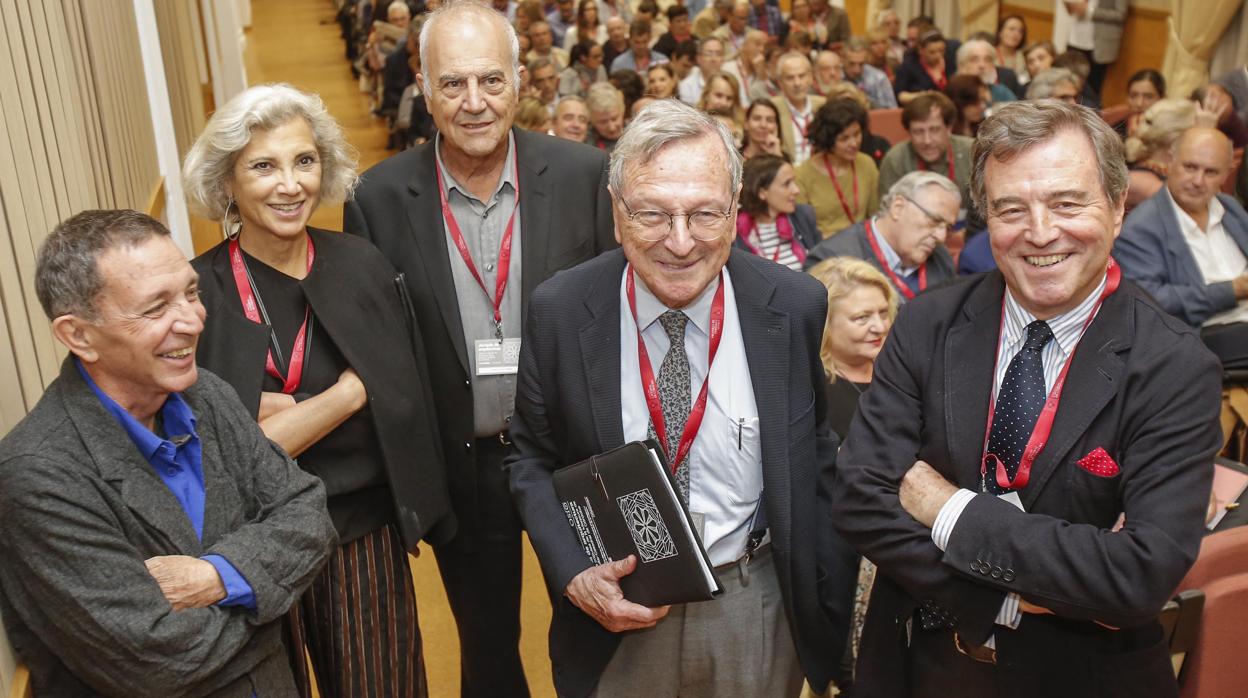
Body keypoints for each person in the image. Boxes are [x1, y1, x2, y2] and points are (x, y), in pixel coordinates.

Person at [834, 100, 1223, 698]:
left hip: (1082, 679)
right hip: (919, 666)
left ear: (1118, 208)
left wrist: (945, 509)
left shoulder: (1174, 367)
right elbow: (861, 498)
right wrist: (1005, 598)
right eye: (1011, 208)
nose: (1041, 232)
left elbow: (1138, 575)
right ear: (985, 218)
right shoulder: (926, 323)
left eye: (1068, 203)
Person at [507, 96, 855, 698]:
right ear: (616, 213)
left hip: (755, 602)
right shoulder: (561, 309)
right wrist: (574, 574)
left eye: (704, 214)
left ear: (735, 209)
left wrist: (828, 603)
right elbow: (530, 459)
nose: (680, 241)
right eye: (652, 214)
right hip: (620, 605)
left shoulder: (794, 306)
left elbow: (815, 455)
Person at [342, 3, 617, 696]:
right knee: (487, 648)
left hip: (574, 459)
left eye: (491, 80)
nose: (474, 103)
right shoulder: (376, 200)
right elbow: (374, 343)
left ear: (521, 82)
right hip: (462, 465)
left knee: (595, 635)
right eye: (454, 83)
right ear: (425, 89)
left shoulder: (586, 175)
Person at [181, 82, 453, 697]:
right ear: (228, 183)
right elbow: (217, 448)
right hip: (248, 547)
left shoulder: (363, 266)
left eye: (304, 161)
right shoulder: (198, 295)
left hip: (358, 535)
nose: (290, 184)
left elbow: (406, 401)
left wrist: (272, 415)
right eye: (263, 166)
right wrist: (350, 395)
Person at [0, 209, 337, 697]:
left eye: (192, 292)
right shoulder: (39, 476)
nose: (194, 320)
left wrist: (216, 577)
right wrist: (268, 597)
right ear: (78, 335)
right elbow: (154, 661)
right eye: (156, 308)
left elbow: (308, 513)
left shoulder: (207, 395)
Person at [1116, 128, 1248, 330]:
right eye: (1190, 167)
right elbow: (1149, 301)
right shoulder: (1140, 228)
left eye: (1211, 172)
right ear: (1171, 161)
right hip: (1207, 337)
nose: (1198, 181)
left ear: (1226, 174)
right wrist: (1232, 290)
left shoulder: (1229, 207)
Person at [806, 171, 959, 302]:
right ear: (897, 207)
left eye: (948, 227)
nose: (941, 236)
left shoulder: (942, 260)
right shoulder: (832, 259)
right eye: (934, 220)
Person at [806, 256, 898, 438]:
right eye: (862, 318)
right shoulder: (810, 390)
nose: (880, 328)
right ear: (824, 323)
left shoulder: (900, 369)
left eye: (883, 312)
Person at [877, 92, 974, 228]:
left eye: (934, 130)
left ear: (949, 128)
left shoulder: (971, 152)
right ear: (909, 133)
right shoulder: (895, 160)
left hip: (966, 231)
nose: (927, 141)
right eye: (918, 132)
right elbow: (887, 217)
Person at [796, 98, 880, 238]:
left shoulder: (866, 163)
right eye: (844, 138)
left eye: (857, 134)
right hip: (825, 248)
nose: (854, 143)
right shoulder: (802, 175)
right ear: (828, 140)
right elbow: (805, 232)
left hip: (863, 241)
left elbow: (875, 214)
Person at [735, 153, 820, 270]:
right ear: (762, 192)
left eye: (794, 182)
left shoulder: (802, 216)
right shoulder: (736, 231)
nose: (796, 190)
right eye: (787, 184)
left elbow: (822, 262)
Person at [1122, 99, 1199, 213]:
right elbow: (1188, 213)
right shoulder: (1139, 180)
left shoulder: (1173, 172)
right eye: (1198, 136)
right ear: (1176, 139)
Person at [1057, 0, 1126, 97]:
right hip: (1074, 40)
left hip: (1098, 46)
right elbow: (1071, 11)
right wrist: (1069, 6)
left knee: (1092, 89)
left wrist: (1089, 11)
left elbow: (1120, 15)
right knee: (1066, 82)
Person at [772, 52, 824, 166]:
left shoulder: (823, 106)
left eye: (801, 76)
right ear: (780, 82)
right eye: (790, 78)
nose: (797, 83)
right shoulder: (771, 109)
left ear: (811, 78)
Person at [894, 30, 949, 105]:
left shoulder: (949, 63)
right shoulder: (908, 67)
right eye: (932, 52)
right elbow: (900, 96)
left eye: (941, 51)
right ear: (920, 50)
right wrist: (923, 95)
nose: (938, 56)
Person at [844, 36, 898, 109]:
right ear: (842, 59)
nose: (857, 70)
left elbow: (892, 112)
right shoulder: (835, 75)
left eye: (861, 64)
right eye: (851, 64)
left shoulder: (879, 78)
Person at [721, 28, 767, 105]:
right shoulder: (727, 68)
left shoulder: (765, 74)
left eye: (765, 46)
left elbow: (766, 104)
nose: (762, 49)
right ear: (743, 45)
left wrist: (761, 77)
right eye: (757, 44)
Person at [678, 36, 725, 104]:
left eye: (718, 54)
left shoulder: (730, 81)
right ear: (699, 58)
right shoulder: (687, 86)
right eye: (709, 54)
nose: (714, 59)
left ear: (723, 59)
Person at [1120, 69, 1165, 138]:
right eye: (1133, 96)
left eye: (1149, 97)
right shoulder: (1116, 127)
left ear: (1162, 99)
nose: (1139, 103)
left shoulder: (1168, 132)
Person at [588, 81, 627, 150]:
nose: (612, 128)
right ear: (592, 120)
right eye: (603, 122)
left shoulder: (637, 133)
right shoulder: (586, 142)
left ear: (622, 111)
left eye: (614, 119)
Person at [995, 14, 1028, 82]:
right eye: (1012, 29)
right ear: (1000, 32)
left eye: (1020, 31)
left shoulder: (1024, 57)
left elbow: (1024, 82)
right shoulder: (989, 53)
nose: (1016, 34)